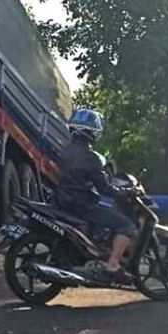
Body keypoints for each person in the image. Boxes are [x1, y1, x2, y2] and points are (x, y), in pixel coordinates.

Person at [54, 108, 138, 283]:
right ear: (93, 132)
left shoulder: (65, 151)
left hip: (63, 200)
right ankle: (112, 265)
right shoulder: (90, 157)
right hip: (83, 205)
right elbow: (104, 188)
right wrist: (124, 193)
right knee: (126, 225)